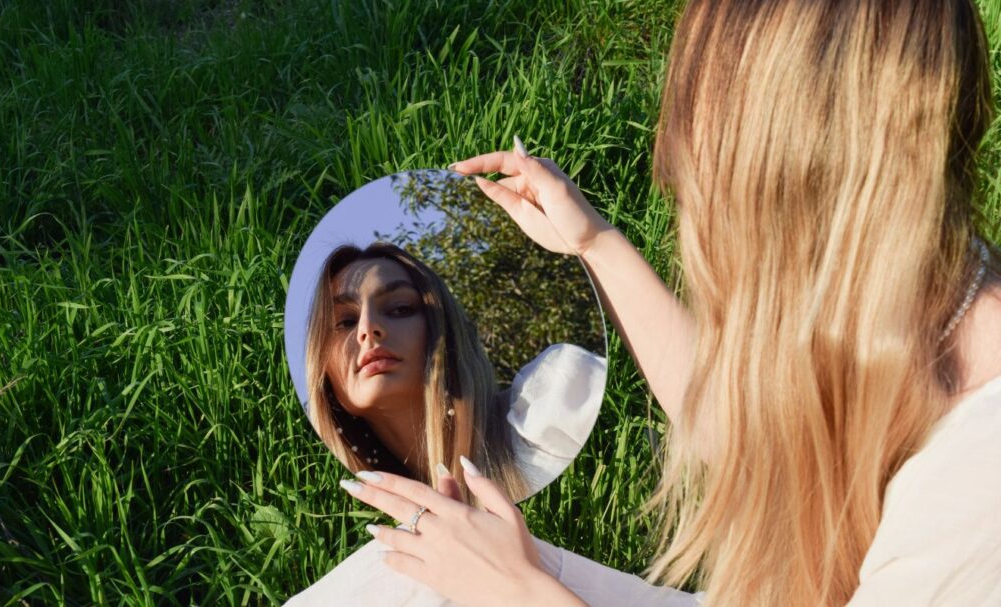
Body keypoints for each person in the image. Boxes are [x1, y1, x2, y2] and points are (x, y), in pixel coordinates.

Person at [335, 0, 1001, 605]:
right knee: (406, 574)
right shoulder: (921, 294)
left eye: (707, 190)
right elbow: (746, 429)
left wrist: (519, 592)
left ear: (797, 193)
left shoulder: (981, 482)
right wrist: (593, 242)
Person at [304, 242, 605, 503]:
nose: (368, 328)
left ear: (442, 330)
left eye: (399, 308)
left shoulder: (553, 404)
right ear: (322, 368)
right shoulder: (337, 505)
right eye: (344, 321)